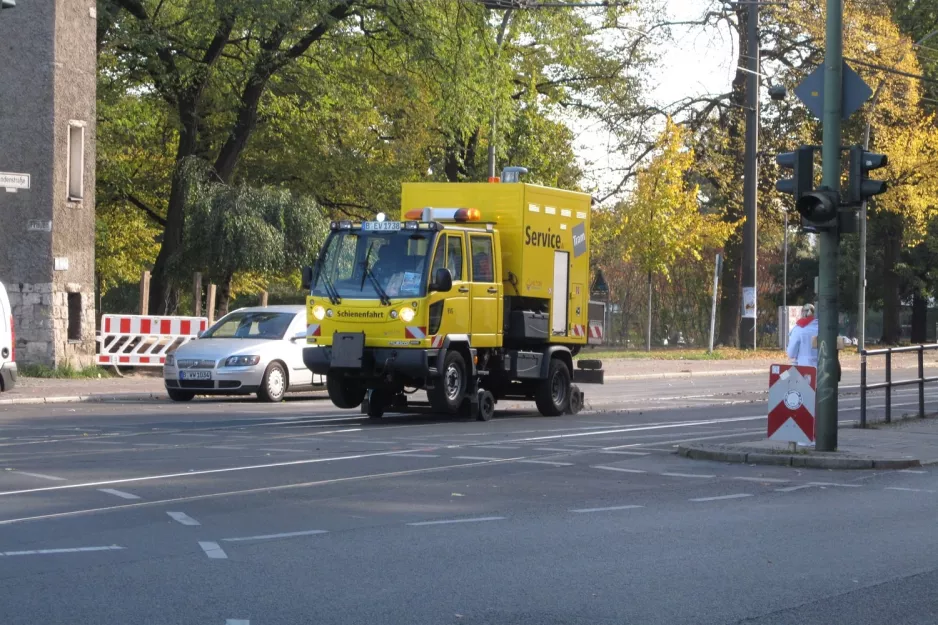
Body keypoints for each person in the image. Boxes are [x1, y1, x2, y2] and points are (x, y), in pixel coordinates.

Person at [787, 303, 818, 368]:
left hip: (804, 367)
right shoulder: (821, 327)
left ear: (803, 313)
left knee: (784, 376)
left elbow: (791, 353)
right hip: (821, 367)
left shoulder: (798, 329)